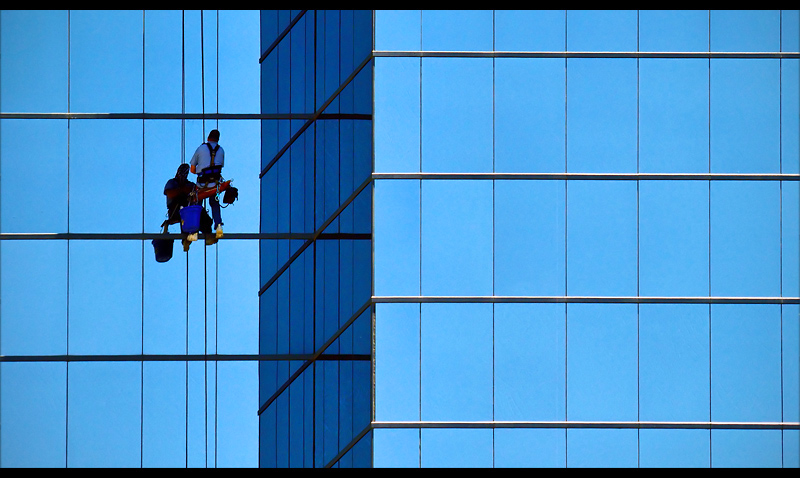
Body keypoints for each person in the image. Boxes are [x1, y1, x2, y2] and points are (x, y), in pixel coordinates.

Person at [190, 129, 225, 241]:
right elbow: (219, 167)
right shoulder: (221, 150)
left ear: (208, 138)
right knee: (214, 203)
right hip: (215, 185)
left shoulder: (201, 148)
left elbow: (192, 169)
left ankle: (194, 231)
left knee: (196, 205)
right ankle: (218, 226)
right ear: (217, 139)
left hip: (201, 184)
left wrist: (200, 171)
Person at [162, 163, 199, 252]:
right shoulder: (172, 182)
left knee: (196, 211)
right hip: (175, 210)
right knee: (183, 208)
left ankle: (193, 233)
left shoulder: (189, 185)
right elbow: (170, 193)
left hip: (187, 210)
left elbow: (197, 192)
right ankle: (186, 239)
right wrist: (182, 190)